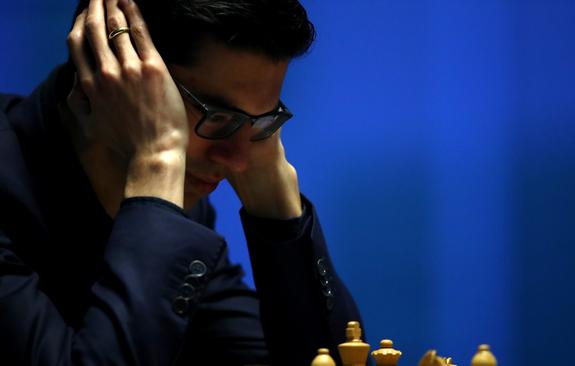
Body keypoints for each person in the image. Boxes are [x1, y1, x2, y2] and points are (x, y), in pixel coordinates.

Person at [0, 0, 362, 364]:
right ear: (108, 71)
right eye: (217, 115)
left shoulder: (176, 211)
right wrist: (158, 157)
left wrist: (278, 212)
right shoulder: (162, 196)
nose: (238, 158)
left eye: (258, 124)